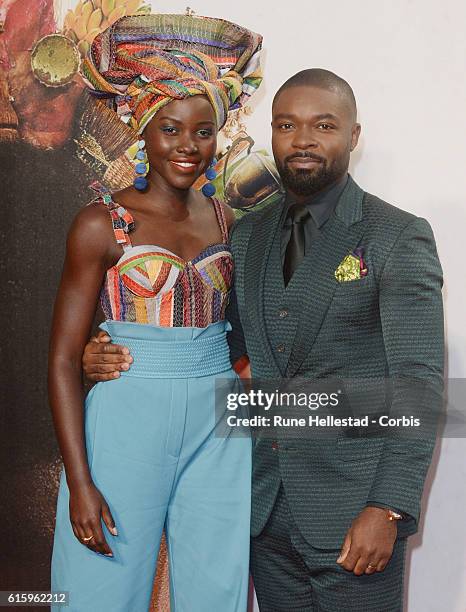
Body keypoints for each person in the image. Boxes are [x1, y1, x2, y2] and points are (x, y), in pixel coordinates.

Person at [83, 68, 444, 611]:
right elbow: (218, 340)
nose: (302, 140)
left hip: (354, 519)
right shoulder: (247, 233)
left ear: (353, 135)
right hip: (262, 518)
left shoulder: (396, 234)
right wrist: (106, 350)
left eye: (323, 125)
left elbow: (417, 385)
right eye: (286, 124)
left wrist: (387, 507)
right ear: (271, 134)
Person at [48, 14, 262, 612]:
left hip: (218, 425)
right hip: (125, 420)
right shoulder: (101, 224)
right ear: (143, 130)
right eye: (170, 129)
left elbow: (249, 325)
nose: (188, 147)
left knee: (216, 589)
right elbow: (65, 359)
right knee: (98, 590)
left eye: (203, 131)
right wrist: (80, 482)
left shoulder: (226, 220)